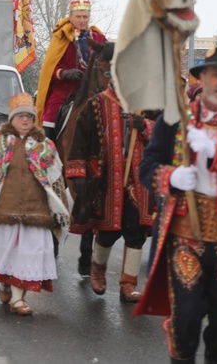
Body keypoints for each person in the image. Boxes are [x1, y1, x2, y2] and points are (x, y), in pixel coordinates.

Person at [134, 47, 217, 364]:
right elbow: (146, 168)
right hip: (185, 238)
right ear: (202, 79)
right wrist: (171, 177)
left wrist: (216, 153)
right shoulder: (174, 122)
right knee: (186, 319)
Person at [0, 93, 70, 316]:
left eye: (28, 116)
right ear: (11, 119)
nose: (24, 120)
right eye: (20, 116)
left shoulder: (44, 146)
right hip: (2, 210)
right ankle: (4, 283)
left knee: (27, 253)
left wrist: (60, 207)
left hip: (35, 211)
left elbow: (57, 176)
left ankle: (18, 300)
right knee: (5, 253)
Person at [65, 74, 156, 302]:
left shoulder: (148, 104)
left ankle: (128, 283)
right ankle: (97, 270)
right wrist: (78, 173)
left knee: (136, 232)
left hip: (139, 180)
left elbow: (168, 132)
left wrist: (145, 126)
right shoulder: (96, 104)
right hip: (106, 178)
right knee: (108, 230)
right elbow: (80, 142)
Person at [36, 0, 107, 141]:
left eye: (85, 17)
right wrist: (64, 73)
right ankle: (49, 153)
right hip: (66, 88)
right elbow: (50, 67)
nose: (82, 20)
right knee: (50, 115)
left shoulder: (98, 37)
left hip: (93, 88)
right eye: (78, 17)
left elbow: (106, 61)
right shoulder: (61, 37)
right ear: (71, 17)